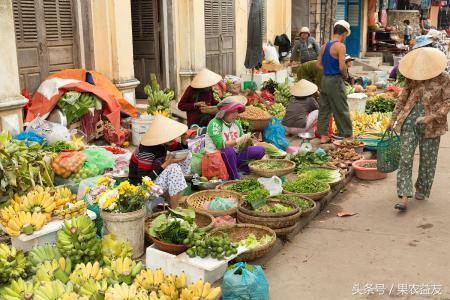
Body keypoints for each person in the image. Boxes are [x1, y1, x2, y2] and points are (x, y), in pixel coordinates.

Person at [388, 48, 449, 212]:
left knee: (428, 159)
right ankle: (404, 196)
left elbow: (448, 101)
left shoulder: (444, 78)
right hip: (410, 121)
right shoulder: (413, 77)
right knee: (405, 158)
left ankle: (422, 188)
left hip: (432, 125)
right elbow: (403, 97)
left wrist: (433, 116)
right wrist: (393, 118)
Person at [128, 115, 190, 208]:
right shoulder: (147, 151)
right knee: (174, 168)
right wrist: (166, 163)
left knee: (178, 165)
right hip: (140, 188)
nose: (173, 140)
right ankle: (175, 209)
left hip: (153, 180)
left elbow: (180, 149)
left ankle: (172, 205)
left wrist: (184, 141)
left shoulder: (162, 143)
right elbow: (143, 180)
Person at [206, 96, 265, 180]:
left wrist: (250, 140)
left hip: (235, 155)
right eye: (232, 112)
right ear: (224, 112)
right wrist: (237, 140)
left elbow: (242, 143)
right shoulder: (215, 123)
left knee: (260, 150)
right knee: (228, 151)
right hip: (218, 158)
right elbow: (220, 145)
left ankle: (241, 169)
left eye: (236, 112)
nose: (236, 115)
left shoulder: (236, 123)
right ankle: (235, 177)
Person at [317, 20, 353, 142]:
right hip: (335, 80)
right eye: (345, 36)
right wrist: (345, 76)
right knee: (341, 107)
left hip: (324, 80)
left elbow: (318, 65)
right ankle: (347, 135)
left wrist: (328, 70)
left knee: (324, 108)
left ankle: (323, 136)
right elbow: (342, 67)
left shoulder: (323, 46)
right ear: (344, 33)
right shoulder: (340, 46)